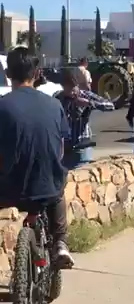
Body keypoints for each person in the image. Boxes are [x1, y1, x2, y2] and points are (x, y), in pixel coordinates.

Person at [0, 47, 74, 268]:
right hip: (46, 188)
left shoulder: (2, 106)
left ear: (8, 74)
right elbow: (59, 149)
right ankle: (60, 243)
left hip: (8, 189)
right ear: (37, 73)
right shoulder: (54, 104)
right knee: (59, 185)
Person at [56, 70, 114, 169]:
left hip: (82, 146)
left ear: (77, 85)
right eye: (67, 88)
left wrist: (89, 103)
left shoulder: (85, 95)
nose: (71, 92)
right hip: (65, 148)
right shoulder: (58, 97)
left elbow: (110, 105)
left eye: (73, 88)